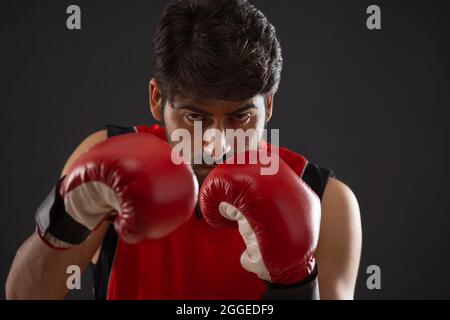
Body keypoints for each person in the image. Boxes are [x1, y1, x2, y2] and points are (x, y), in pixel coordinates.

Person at [6, 0, 362, 300]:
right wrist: (69, 215)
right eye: (195, 115)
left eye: (240, 117)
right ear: (157, 98)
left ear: (268, 106)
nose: (215, 142)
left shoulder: (326, 200)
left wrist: (296, 282)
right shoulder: (105, 155)